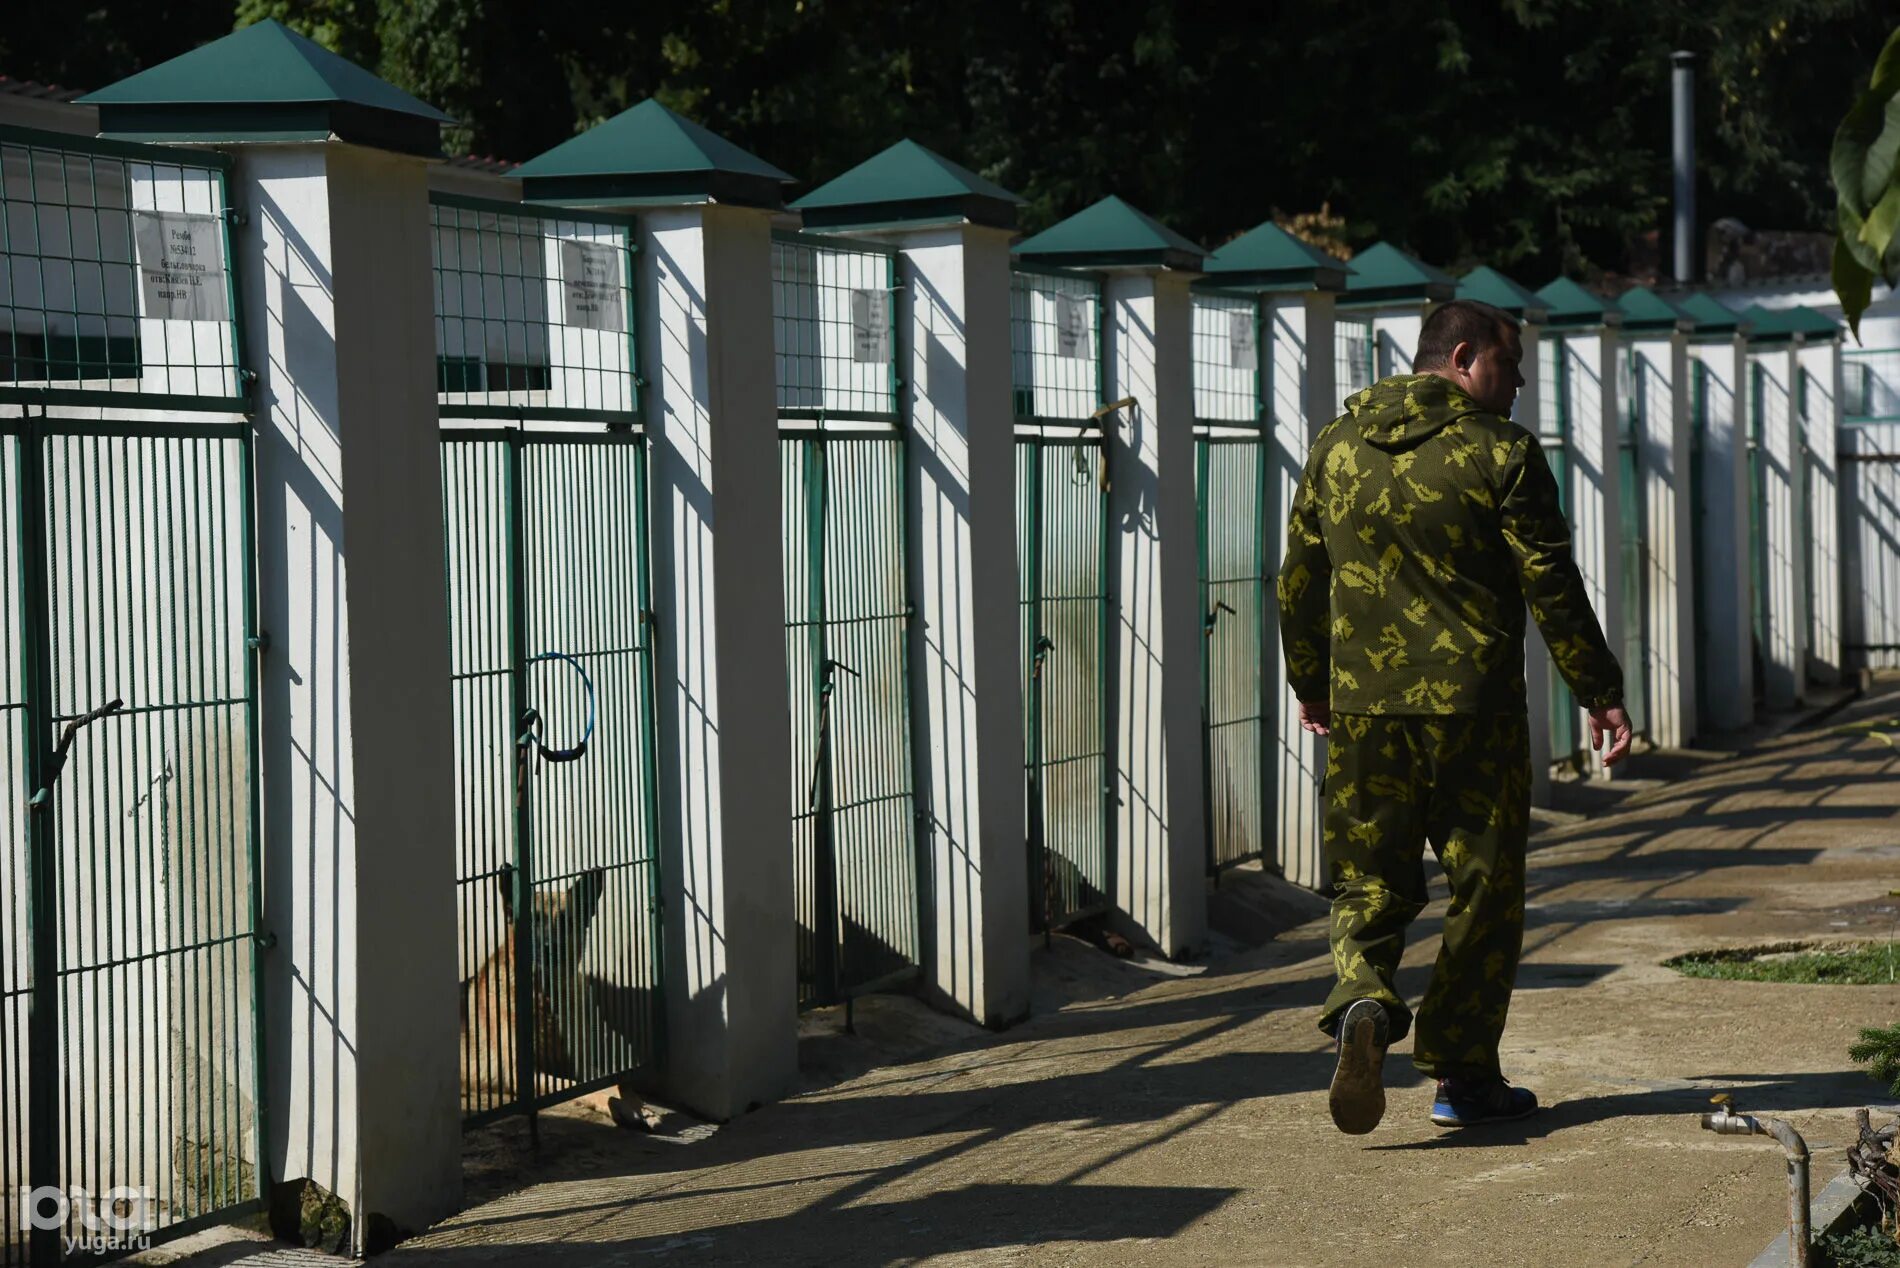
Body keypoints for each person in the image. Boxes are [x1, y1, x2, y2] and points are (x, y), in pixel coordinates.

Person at [1276, 298, 1632, 1135]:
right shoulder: (1500, 454)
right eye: (1509, 370)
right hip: (1474, 714)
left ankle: (1363, 999)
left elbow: (1297, 576)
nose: (1516, 391)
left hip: (1366, 713)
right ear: (1465, 357)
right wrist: (1598, 688)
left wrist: (1312, 684)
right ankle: (1462, 1077)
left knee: (1370, 882)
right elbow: (1550, 582)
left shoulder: (1336, 446)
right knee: (1483, 887)